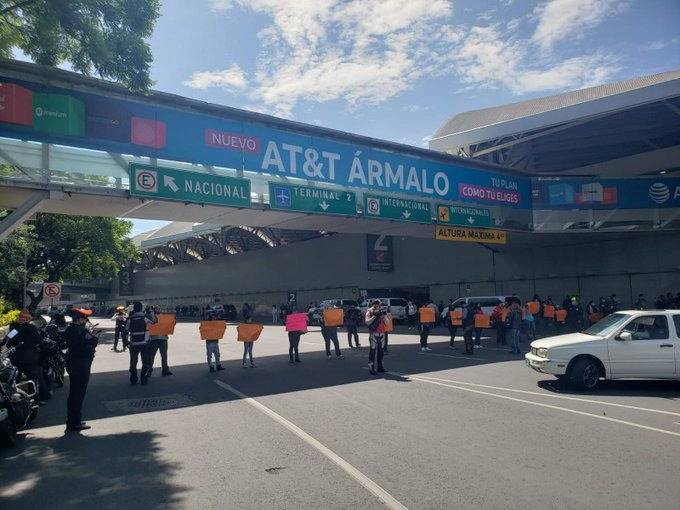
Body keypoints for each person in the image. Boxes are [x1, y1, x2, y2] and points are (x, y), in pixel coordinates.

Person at [63, 308, 98, 433]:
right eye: (85, 318)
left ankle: (73, 420)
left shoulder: (69, 329)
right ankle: (74, 423)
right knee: (78, 394)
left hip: (72, 362)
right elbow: (93, 341)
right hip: (81, 364)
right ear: (80, 319)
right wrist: (93, 335)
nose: (86, 321)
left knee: (74, 393)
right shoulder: (82, 331)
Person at [2, 308, 43, 400]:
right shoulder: (30, 327)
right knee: (32, 378)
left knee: (15, 378)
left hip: (15, 357)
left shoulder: (14, 326)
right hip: (29, 358)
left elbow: (9, 339)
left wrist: (7, 345)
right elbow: (39, 340)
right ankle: (34, 399)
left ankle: (15, 397)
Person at [126, 301, 156, 385]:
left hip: (133, 343)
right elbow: (154, 321)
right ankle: (143, 378)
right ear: (141, 308)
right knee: (145, 361)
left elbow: (126, 330)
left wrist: (126, 342)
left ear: (134, 309)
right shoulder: (145, 317)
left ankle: (133, 376)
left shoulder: (130, 319)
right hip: (144, 343)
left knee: (133, 361)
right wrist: (151, 312)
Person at [365, 299, 388, 375]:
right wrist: (374, 316)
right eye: (376, 304)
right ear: (373, 304)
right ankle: (371, 368)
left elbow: (387, 322)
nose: (378, 306)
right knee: (372, 352)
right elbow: (367, 322)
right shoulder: (370, 311)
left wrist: (384, 316)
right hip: (373, 334)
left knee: (381, 352)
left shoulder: (381, 311)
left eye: (379, 304)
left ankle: (380, 367)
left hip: (382, 333)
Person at [148, 307, 172, 377]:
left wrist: (172, 321)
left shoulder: (163, 317)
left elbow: (169, 325)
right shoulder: (150, 316)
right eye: (156, 309)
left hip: (163, 338)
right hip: (154, 339)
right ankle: (149, 371)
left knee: (164, 355)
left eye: (159, 309)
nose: (158, 310)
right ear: (154, 310)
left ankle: (165, 370)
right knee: (151, 356)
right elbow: (149, 325)